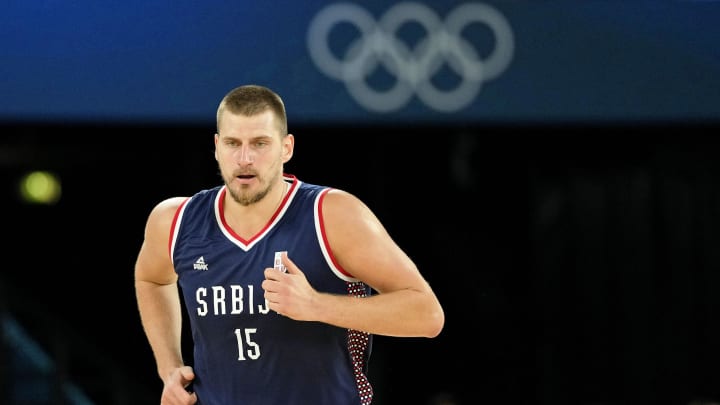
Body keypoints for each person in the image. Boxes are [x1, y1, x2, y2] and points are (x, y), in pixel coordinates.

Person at [134, 84, 445, 405]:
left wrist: (316, 305)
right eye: (232, 143)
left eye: (259, 144)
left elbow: (427, 314)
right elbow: (151, 279)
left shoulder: (332, 214)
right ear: (216, 146)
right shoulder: (176, 220)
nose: (244, 158)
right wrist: (169, 367)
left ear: (286, 147)